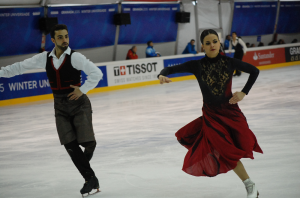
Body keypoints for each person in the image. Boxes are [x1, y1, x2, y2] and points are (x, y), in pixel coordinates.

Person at [158, 29, 262, 198]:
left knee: (235, 147)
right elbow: (169, 69)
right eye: (208, 43)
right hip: (211, 117)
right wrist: (161, 75)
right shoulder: (197, 65)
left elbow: (254, 71)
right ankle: (250, 185)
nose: (212, 45)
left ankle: (250, 185)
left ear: (219, 43)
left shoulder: (229, 62)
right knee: (225, 149)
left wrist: (244, 92)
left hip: (231, 113)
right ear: (203, 47)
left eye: (215, 41)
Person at [0, 24, 102, 196]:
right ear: (53, 40)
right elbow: (19, 67)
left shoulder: (75, 57)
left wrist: (82, 90)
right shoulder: (44, 58)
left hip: (79, 105)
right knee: (70, 146)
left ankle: (90, 147)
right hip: (60, 107)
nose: (65, 40)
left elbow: (96, 73)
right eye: (60, 37)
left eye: (67, 36)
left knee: (87, 143)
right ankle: (90, 179)